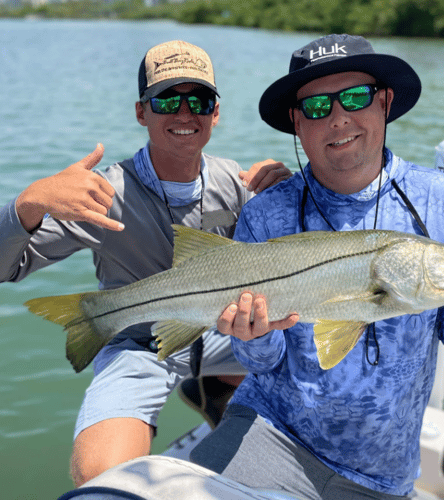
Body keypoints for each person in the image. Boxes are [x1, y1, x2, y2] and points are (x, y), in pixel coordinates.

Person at [189, 34, 444, 500]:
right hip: (270, 434)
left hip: (384, 469)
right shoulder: (266, 213)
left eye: (355, 97)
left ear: (385, 102)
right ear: (296, 121)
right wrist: (253, 336)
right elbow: (260, 361)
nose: (338, 118)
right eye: (316, 107)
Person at [0, 40, 291, 486]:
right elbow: (8, 267)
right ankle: (216, 388)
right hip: (141, 344)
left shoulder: (238, 185)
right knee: (104, 480)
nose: (184, 113)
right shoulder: (102, 193)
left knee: (308, 359)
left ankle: (220, 386)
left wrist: (288, 192)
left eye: (199, 100)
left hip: (227, 335)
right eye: (167, 99)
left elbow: (297, 268)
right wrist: (27, 205)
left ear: (215, 113)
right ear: (142, 112)